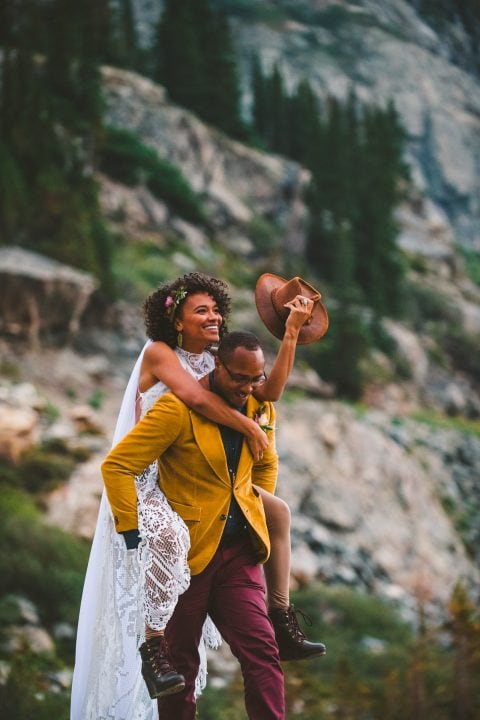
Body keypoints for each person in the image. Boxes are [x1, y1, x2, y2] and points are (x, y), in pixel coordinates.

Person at [71, 272, 328, 720]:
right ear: (176, 320)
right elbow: (195, 398)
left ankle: (282, 617)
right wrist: (248, 424)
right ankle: (153, 647)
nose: (213, 317)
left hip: (223, 521)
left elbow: (268, 393)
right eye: (201, 310)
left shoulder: (223, 365)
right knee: (170, 547)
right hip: (155, 483)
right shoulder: (163, 358)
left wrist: (289, 333)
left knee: (277, 518)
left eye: (216, 310)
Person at [102, 331, 286, 719]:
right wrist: (131, 532)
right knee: (179, 666)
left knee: (263, 652)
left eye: (255, 378)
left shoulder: (259, 407)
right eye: (239, 378)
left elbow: (267, 460)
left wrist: (253, 500)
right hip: (186, 559)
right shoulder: (174, 411)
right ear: (217, 364)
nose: (247, 388)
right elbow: (117, 466)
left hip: (239, 554)